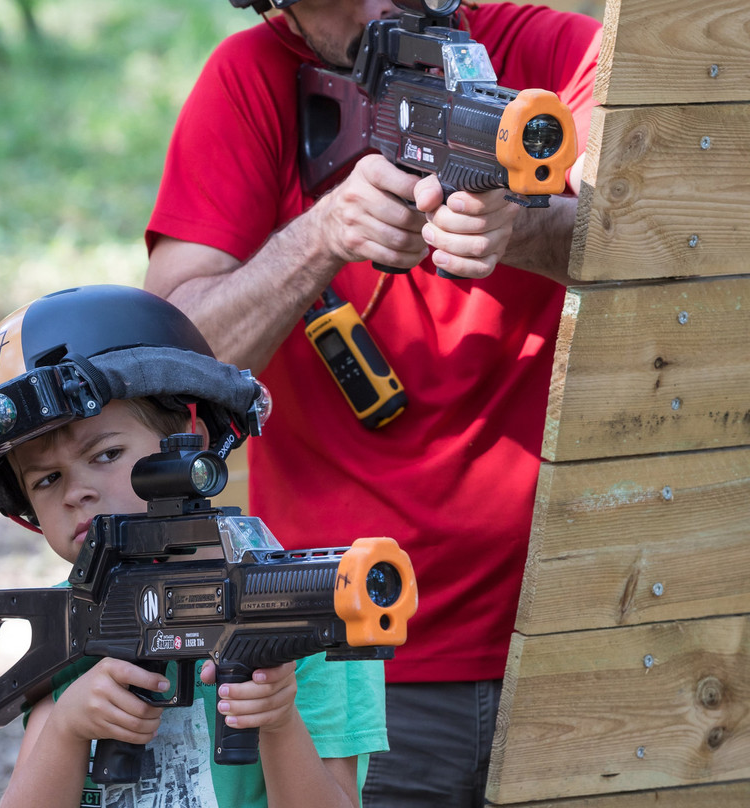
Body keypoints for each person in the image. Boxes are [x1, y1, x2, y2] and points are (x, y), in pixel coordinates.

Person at [142, 1, 603, 806]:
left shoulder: (557, 50)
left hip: (579, 636)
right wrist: (319, 236)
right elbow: (165, 364)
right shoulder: (250, 82)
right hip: (353, 648)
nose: (378, 9)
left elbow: (682, 236)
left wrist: (524, 228)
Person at [0, 284, 390, 808]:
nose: (76, 492)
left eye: (107, 453)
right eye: (46, 481)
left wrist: (277, 720)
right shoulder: (70, 621)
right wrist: (67, 728)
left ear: (191, 439)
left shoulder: (311, 611)